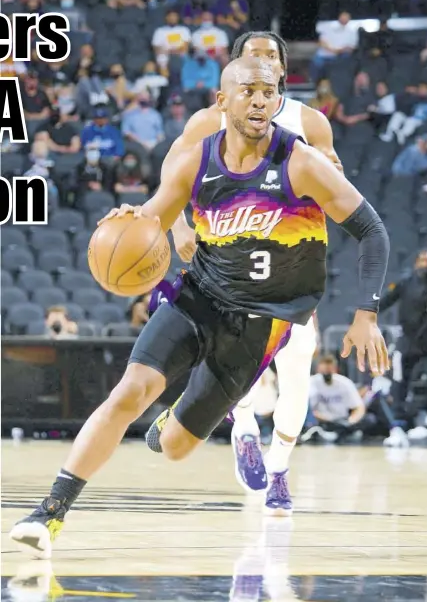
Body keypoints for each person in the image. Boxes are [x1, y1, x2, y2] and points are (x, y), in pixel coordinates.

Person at [9, 57, 390, 558]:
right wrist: (130, 221)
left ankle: (172, 425)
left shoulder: (300, 163)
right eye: (248, 89)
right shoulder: (196, 161)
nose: (259, 100)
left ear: (278, 101)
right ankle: (49, 512)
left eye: (269, 92)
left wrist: (366, 314)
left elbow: (372, 230)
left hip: (257, 326)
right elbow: (152, 218)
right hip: (198, 299)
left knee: (175, 447)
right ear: (222, 100)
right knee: (131, 392)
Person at [147, 31, 343, 516]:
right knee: (239, 365)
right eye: (252, 56)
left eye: (272, 57)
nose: (262, 63)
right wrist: (176, 228)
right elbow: (170, 176)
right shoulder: (206, 121)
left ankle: (279, 469)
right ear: (234, 69)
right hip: (229, 267)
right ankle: (245, 431)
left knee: (297, 372)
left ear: (281, 72)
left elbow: (336, 188)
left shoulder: (309, 121)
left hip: (289, 266)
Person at [380, 250, 427, 447]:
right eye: (423, 260)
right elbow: (386, 300)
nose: (426, 264)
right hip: (408, 343)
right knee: (400, 383)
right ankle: (397, 427)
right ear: (416, 262)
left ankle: (425, 419)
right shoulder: (405, 282)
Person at [302, 355, 367, 443]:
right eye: (323, 372)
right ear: (318, 370)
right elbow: (305, 407)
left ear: (335, 369)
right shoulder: (311, 382)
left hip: (342, 421)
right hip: (320, 421)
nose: (326, 375)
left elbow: (359, 407)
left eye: (329, 372)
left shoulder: (345, 383)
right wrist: (323, 418)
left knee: (367, 422)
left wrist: (351, 421)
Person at [310, 11, 359, 81]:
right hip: (325, 53)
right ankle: (315, 81)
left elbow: (352, 47)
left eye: (346, 18)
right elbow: (321, 42)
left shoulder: (352, 32)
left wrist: (339, 51)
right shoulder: (329, 27)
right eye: (343, 17)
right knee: (316, 62)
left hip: (341, 55)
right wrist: (331, 50)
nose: (344, 19)